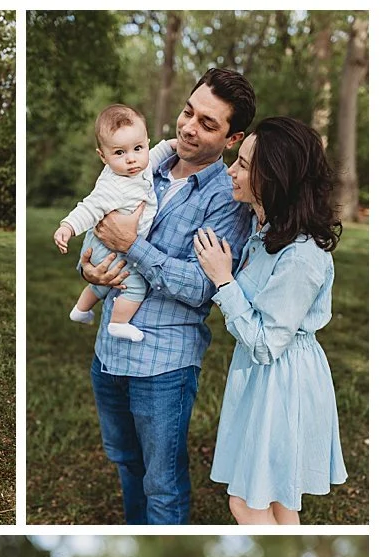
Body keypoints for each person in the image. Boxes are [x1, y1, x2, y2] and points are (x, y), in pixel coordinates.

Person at [81, 68, 256, 524]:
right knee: (125, 462)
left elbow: (203, 287)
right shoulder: (143, 162)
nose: (188, 127)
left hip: (164, 363)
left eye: (207, 123)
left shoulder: (228, 197)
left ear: (234, 138)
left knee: (161, 483)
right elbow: (100, 226)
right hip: (108, 352)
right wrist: (87, 265)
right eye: (187, 111)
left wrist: (130, 246)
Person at [192, 116, 347, 524]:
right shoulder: (266, 231)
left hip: (284, 380)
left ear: (273, 178)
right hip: (264, 378)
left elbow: (264, 343)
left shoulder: (301, 256)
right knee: (278, 500)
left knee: (246, 502)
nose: (231, 170)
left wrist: (223, 279)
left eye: (243, 164)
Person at [53, 104, 177, 342]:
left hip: (110, 244)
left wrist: (171, 145)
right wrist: (67, 227)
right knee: (134, 284)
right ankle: (118, 323)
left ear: (146, 144)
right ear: (103, 156)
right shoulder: (112, 186)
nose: (131, 159)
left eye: (138, 148)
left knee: (103, 282)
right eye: (119, 153)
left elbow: (156, 155)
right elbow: (88, 208)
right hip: (107, 246)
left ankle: (80, 310)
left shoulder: (140, 165)